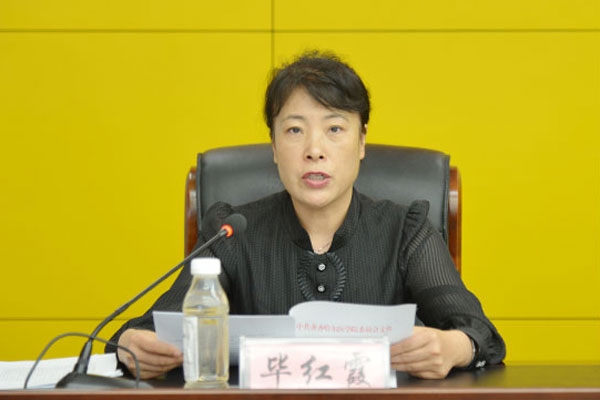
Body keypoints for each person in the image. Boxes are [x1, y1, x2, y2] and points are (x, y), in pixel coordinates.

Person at [106, 50, 506, 380]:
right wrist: (131, 344)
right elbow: (153, 328)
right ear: (274, 146)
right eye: (295, 130)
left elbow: (478, 331)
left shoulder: (406, 231)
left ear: (361, 142)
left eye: (335, 129)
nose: (315, 150)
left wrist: (454, 346)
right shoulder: (230, 232)